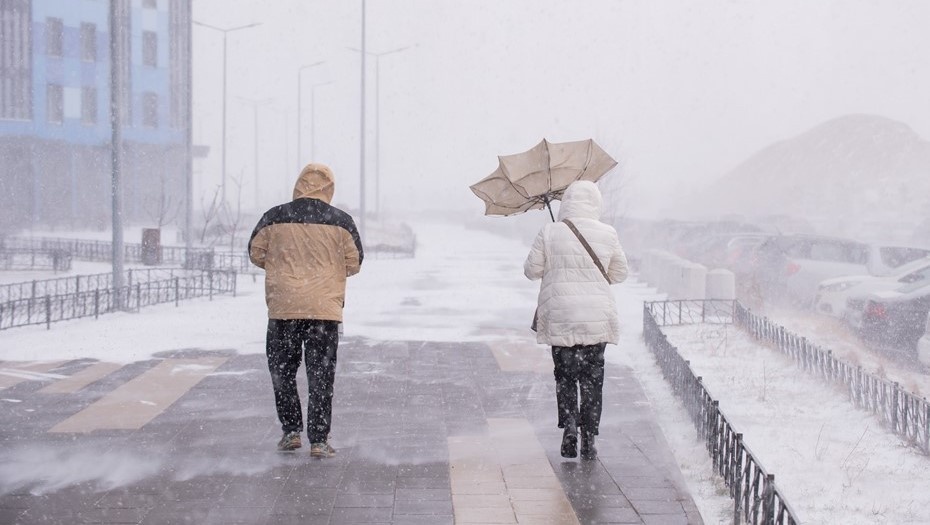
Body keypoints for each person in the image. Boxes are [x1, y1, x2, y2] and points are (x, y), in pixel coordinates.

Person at [248, 163, 363, 457]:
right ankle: (319, 440)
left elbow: (256, 253)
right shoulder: (341, 221)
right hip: (323, 311)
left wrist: (282, 268)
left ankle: (291, 432)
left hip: (283, 308)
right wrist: (327, 272)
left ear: (298, 184)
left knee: (283, 372)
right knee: (321, 376)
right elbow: (354, 263)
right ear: (329, 188)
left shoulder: (275, 216)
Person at [524, 180, 629, 460]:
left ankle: (570, 424)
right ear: (595, 203)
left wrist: (554, 255)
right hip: (595, 319)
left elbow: (531, 271)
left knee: (566, 376)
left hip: (562, 317)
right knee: (592, 379)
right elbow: (620, 274)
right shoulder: (608, 233)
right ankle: (589, 437)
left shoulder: (550, 231)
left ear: (566, 203)